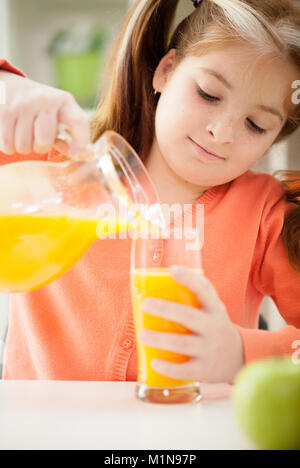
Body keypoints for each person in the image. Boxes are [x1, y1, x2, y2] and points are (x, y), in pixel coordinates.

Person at [0, 0, 299, 387]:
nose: (222, 132)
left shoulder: (265, 214)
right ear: (166, 71)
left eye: (256, 125)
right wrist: (6, 86)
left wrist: (241, 356)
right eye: (209, 94)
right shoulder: (60, 156)